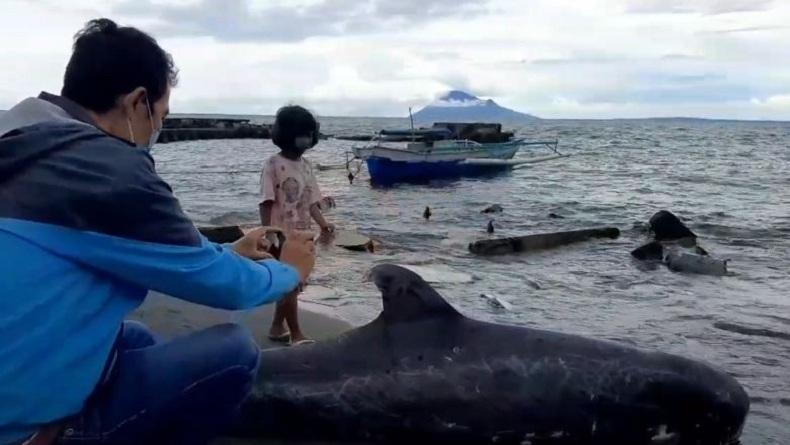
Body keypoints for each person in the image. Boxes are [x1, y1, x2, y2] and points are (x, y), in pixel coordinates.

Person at [0, 19, 306, 445]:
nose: (156, 130)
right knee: (234, 352)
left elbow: (115, 242)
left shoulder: (22, 141)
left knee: (137, 337)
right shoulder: (104, 166)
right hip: (21, 430)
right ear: (137, 103)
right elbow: (228, 290)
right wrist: (289, 272)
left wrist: (228, 249)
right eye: (160, 116)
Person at [259, 105, 334, 346]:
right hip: (281, 238)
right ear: (286, 134)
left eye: (310, 133)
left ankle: (276, 326)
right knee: (289, 285)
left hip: (304, 236)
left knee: (293, 285)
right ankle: (296, 333)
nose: (307, 138)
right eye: (302, 132)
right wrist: (267, 234)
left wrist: (323, 225)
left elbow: (311, 201)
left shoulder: (307, 166)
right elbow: (266, 201)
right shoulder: (273, 164)